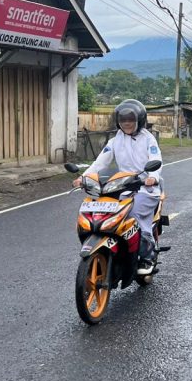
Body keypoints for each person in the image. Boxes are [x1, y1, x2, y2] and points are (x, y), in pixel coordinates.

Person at [74, 99, 162, 276]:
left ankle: (147, 255)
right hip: (123, 186)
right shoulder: (115, 141)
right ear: (118, 122)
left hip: (145, 188)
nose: (127, 124)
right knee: (106, 210)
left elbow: (156, 158)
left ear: (139, 121)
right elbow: (101, 161)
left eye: (131, 120)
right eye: (123, 121)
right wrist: (84, 177)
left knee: (135, 216)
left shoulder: (148, 139)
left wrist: (153, 177)